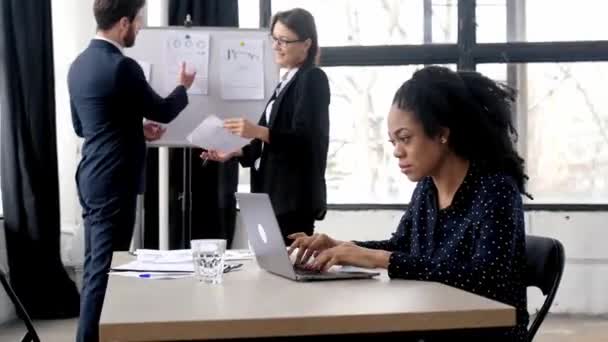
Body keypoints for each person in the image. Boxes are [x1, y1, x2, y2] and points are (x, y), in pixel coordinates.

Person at [288, 66, 530, 341]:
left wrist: (377, 259)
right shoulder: (427, 188)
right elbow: (402, 247)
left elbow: (485, 280)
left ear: (441, 133)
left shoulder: (495, 189)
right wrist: (342, 247)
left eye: (405, 138)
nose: (396, 151)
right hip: (432, 323)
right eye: (393, 141)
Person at [68, 0, 196, 341]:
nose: (139, 28)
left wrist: (135, 129)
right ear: (123, 23)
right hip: (114, 179)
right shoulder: (123, 67)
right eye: (139, 21)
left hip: (92, 175)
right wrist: (184, 85)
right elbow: (165, 110)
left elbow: (85, 127)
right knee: (104, 270)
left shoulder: (78, 65)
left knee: (96, 263)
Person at [203, 8, 330, 245]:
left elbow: (305, 140)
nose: (276, 46)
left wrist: (256, 130)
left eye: (284, 40)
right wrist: (235, 152)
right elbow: (266, 144)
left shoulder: (312, 78)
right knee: (272, 271)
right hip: (270, 195)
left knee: (288, 272)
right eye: (275, 39)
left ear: (306, 44)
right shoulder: (286, 81)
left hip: (292, 198)